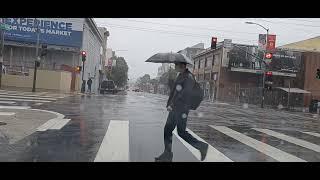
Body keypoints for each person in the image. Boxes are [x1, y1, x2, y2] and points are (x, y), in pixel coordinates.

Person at [155, 62, 209, 162]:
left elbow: (185, 93)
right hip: (176, 108)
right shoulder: (180, 75)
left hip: (182, 109)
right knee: (168, 130)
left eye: (176, 65)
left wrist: (172, 104)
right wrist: (171, 84)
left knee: (181, 132)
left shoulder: (189, 77)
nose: (175, 66)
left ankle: (202, 146)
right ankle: (167, 154)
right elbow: (176, 91)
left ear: (182, 66)